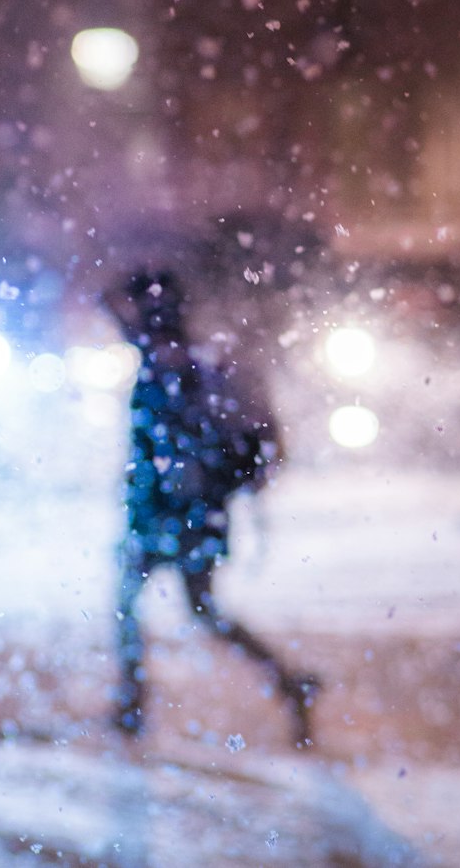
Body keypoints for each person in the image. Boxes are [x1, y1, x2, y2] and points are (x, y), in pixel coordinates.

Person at [103, 269, 319, 745]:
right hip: (196, 512)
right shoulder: (194, 362)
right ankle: (287, 680)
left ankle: (132, 705)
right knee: (199, 609)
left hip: (169, 512)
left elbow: (165, 447)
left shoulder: (166, 364)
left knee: (134, 605)